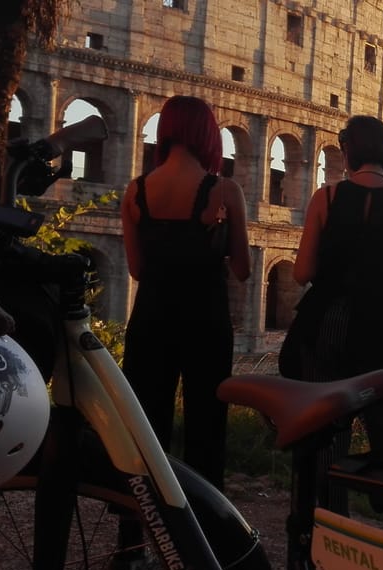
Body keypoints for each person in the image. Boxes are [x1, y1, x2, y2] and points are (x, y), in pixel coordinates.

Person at [289, 115, 383, 518]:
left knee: (326, 434)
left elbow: (301, 273)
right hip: (379, 327)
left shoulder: (326, 198)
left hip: (325, 326)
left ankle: (328, 524)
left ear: (348, 151)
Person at [120, 95, 251, 492]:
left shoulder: (136, 190)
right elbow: (243, 270)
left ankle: (135, 536)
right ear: (208, 134)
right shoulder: (225, 191)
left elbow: (137, 269)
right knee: (207, 425)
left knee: (144, 424)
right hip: (205, 321)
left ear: (166, 131)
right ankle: (205, 529)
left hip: (151, 319)